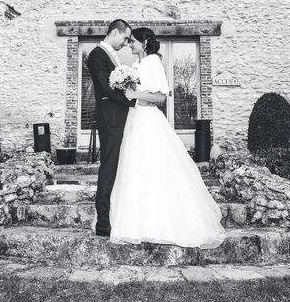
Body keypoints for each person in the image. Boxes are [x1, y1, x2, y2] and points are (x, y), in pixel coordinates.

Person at [109, 27, 226, 248]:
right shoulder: (140, 64)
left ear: (144, 43)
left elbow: (160, 96)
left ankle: (158, 223)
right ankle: (136, 222)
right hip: (136, 118)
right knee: (136, 168)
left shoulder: (152, 61)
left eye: (133, 41)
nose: (129, 44)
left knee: (153, 167)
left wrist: (133, 94)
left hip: (148, 120)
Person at [87, 19, 136, 237]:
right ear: (114, 32)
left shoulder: (111, 55)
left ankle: (114, 217)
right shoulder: (97, 55)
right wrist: (131, 100)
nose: (126, 43)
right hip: (110, 120)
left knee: (116, 167)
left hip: (117, 119)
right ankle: (103, 224)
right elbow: (104, 88)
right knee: (108, 168)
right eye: (125, 38)